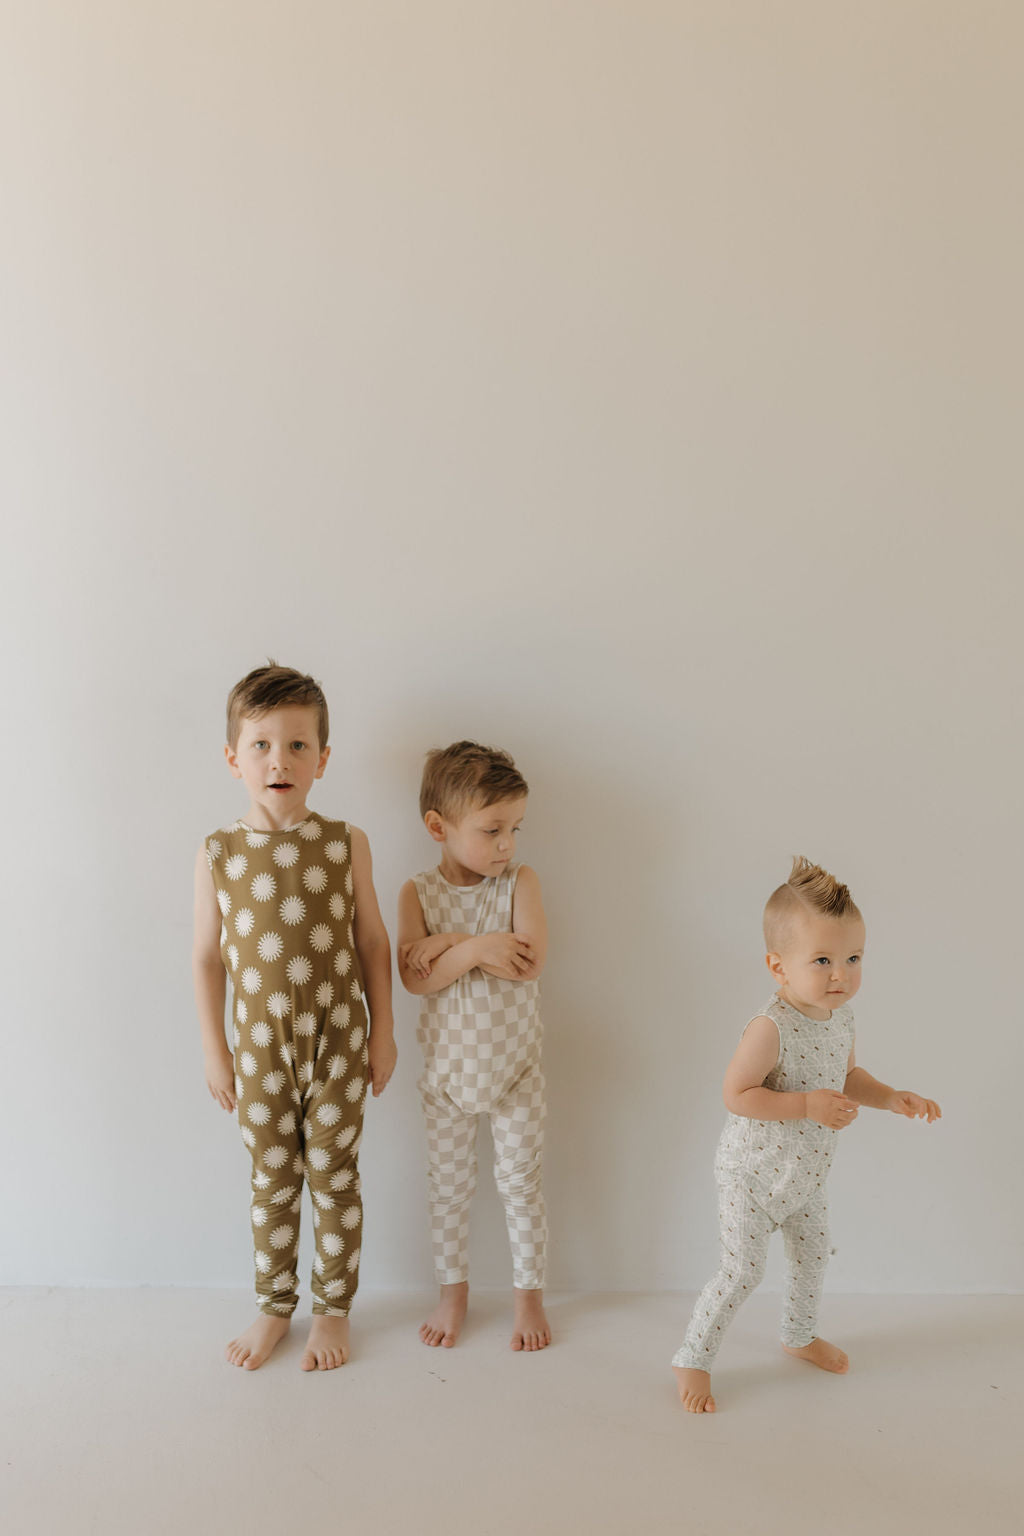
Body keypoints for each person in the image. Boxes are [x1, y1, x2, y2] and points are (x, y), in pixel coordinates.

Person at [673, 856, 941, 1413]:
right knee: (742, 1271)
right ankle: (692, 1358)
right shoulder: (770, 1026)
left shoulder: (840, 1018)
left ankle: (798, 1334)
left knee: (815, 1255)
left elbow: (846, 1076)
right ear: (778, 966)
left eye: (852, 958)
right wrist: (805, 1105)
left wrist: (890, 1097)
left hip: (806, 1175)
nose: (840, 973)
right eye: (821, 960)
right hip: (751, 1174)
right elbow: (736, 1094)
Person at [193, 662, 396, 1371]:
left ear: (323, 759)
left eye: (298, 745)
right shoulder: (218, 854)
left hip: (339, 1046)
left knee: (335, 1177)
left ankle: (333, 1310)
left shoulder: (345, 844)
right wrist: (215, 1053)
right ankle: (274, 1306)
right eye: (261, 745)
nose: (279, 759)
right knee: (273, 1180)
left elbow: (373, 941)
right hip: (257, 1054)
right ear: (233, 758)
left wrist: (384, 1033)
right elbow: (206, 960)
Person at [397, 741, 550, 1352]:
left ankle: (529, 1298)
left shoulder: (521, 882)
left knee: (521, 1184)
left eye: (515, 828)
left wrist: (453, 950)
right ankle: (452, 1294)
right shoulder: (416, 894)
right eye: (493, 830)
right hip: (447, 1077)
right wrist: (476, 946)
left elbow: (529, 962)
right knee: (449, 1188)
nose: (508, 843)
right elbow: (413, 978)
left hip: (516, 1072)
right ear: (439, 827)